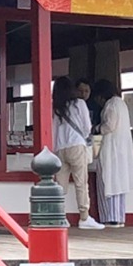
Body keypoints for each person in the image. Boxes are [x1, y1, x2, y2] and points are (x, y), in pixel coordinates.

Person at [54, 78, 102, 228]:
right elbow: (87, 127)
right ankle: (84, 217)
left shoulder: (55, 107)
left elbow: (53, 129)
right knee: (81, 182)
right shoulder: (79, 104)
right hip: (77, 145)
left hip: (60, 148)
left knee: (60, 185)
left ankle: (60, 217)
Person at [93, 78, 133, 226]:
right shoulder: (121, 103)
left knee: (108, 181)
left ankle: (109, 217)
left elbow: (109, 126)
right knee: (119, 183)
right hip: (122, 149)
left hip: (111, 147)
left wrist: (97, 128)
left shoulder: (111, 105)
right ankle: (119, 217)